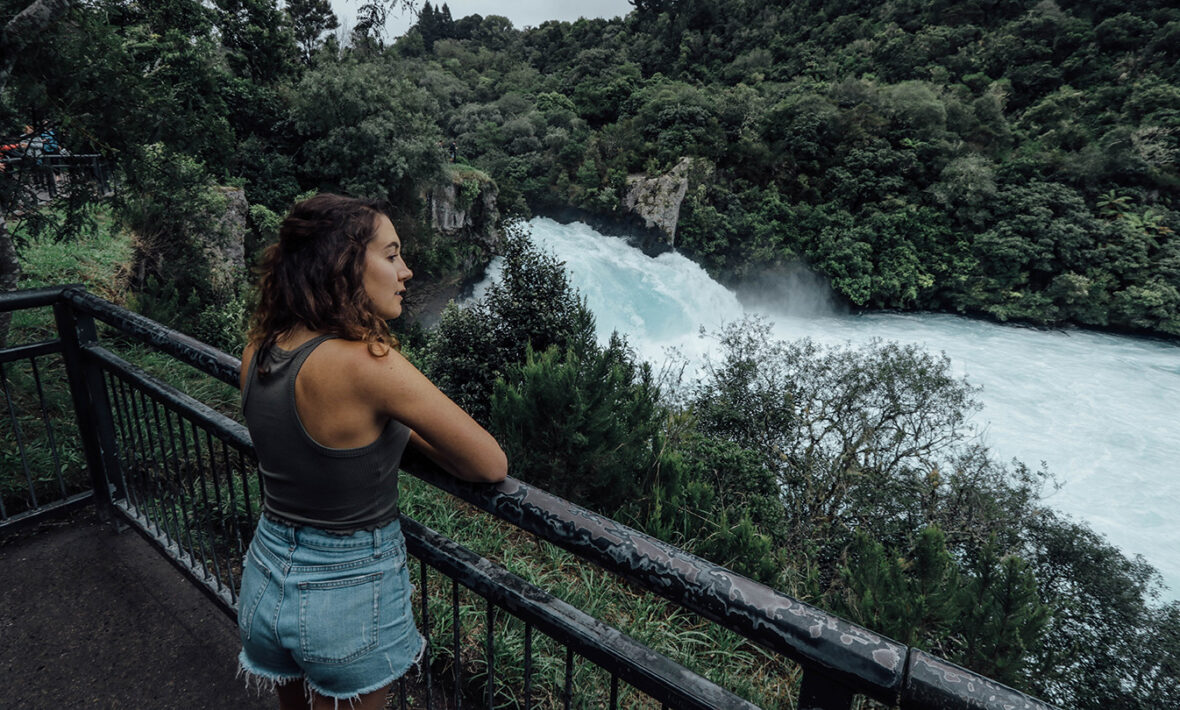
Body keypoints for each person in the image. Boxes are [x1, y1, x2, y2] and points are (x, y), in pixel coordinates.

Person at [237, 193, 508, 710]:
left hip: (266, 572)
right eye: (391, 255)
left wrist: (383, 428)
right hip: (346, 590)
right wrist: (400, 428)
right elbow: (489, 463)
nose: (405, 271)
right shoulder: (368, 364)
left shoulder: (260, 349)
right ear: (342, 264)